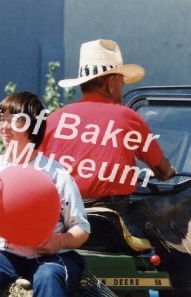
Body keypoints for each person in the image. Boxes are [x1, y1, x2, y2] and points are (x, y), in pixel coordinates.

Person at [0, 92, 90, 297]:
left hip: (51, 258)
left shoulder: (57, 174)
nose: (5, 126)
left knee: (49, 277)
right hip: (3, 253)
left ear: (34, 127)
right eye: (2, 118)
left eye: (16, 120)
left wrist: (60, 241)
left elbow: (81, 227)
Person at [41, 39, 175, 209]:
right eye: (122, 83)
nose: (122, 90)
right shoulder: (127, 118)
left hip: (60, 217)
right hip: (109, 218)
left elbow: (35, 170)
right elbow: (162, 169)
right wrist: (169, 171)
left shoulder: (53, 120)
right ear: (111, 83)